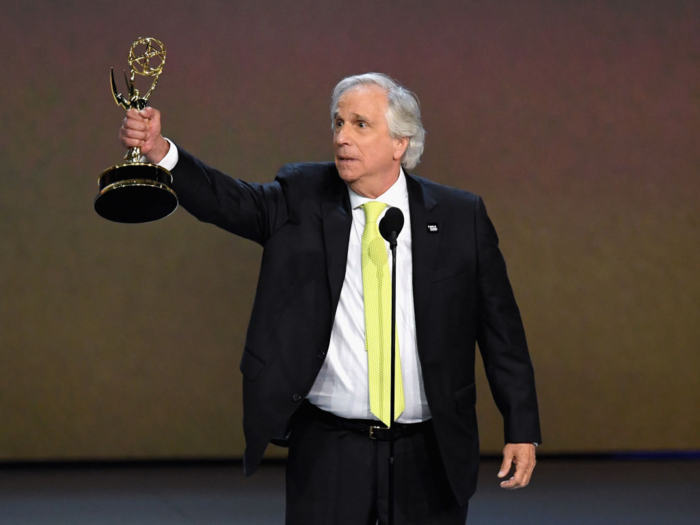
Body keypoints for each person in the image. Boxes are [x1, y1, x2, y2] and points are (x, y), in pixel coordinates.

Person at [119, 73, 541, 525]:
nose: (342, 137)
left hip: (430, 451)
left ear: (400, 143)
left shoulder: (460, 217)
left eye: (361, 124)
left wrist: (521, 427)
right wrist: (162, 152)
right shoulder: (301, 197)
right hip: (329, 450)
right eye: (337, 123)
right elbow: (229, 200)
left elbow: (502, 334)